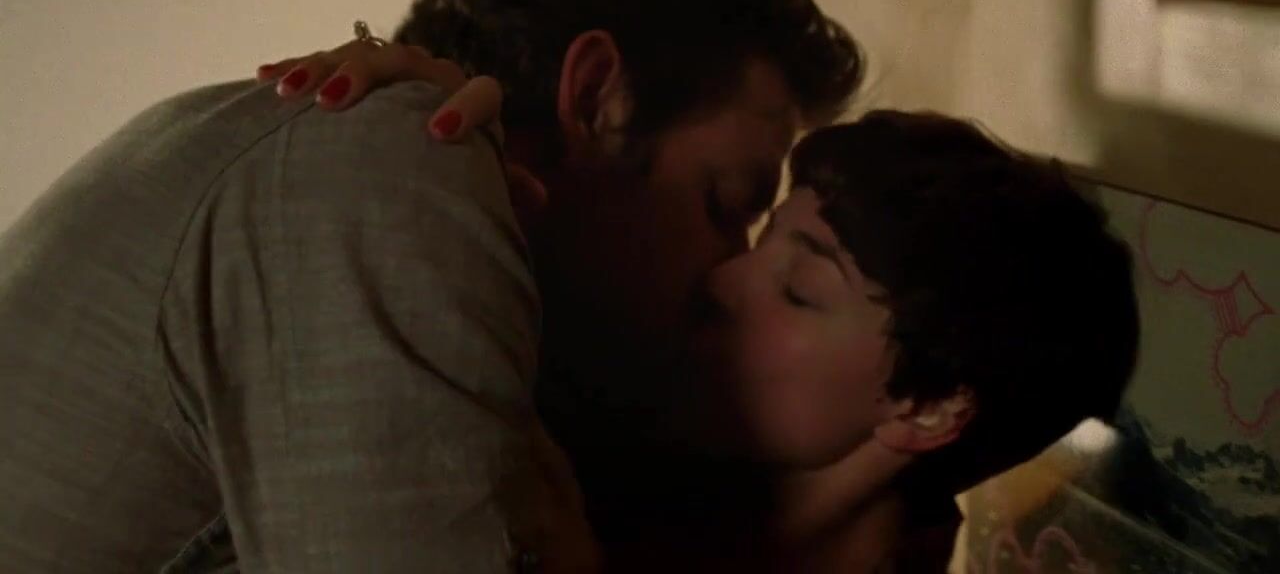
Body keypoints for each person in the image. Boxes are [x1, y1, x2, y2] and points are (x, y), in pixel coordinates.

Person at [0, 0, 859, 573]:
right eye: (726, 203)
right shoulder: (390, 167)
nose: (726, 272)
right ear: (600, 95)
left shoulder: (397, 195)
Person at [261, 47, 1142, 572]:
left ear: (929, 406)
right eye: (759, 240)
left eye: (799, 290)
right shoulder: (595, 449)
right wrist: (404, 125)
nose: (724, 281)